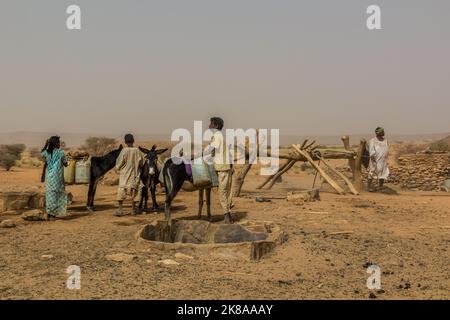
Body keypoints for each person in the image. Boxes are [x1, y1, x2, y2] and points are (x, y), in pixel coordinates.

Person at [204, 117, 234, 223]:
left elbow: (210, 150)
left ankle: (227, 216)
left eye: (211, 123)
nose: (209, 125)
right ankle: (228, 214)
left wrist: (194, 155)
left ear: (216, 126)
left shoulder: (217, 136)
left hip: (222, 168)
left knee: (222, 192)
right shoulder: (220, 136)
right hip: (225, 167)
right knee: (225, 191)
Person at [114, 134, 145, 216]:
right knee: (135, 191)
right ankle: (133, 210)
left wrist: (117, 168)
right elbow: (142, 163)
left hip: (124, 174)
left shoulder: (124, 151)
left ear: (125, 141)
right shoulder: (137, 151)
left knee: (121, 190)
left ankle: (120, 210)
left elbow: (119, 162)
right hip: (135, 174)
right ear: (133, 141)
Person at [41, 136, 68, 220]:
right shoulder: (61, 153)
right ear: (56, 143)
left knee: (50, 195)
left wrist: (46, 144)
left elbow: (41, 153)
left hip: (49, 177)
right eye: (58, 142)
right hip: (57, 177)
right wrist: (67, 161)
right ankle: (53, 215)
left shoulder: (46, 152)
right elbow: (66, 163)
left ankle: (49, 213)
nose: (59, 144)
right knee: (58, 194)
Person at [368, 127, 390, 191]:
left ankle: (380, 186)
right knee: (372, 172)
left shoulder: (385, 140)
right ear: (379, 133)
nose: (384, 133)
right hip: (375, 160)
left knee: (383, 173)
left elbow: (386, 149)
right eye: (382, 132)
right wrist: (373, 158)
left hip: (383, 160)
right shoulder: (373, 141)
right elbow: (371, 151)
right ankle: (368, 187)